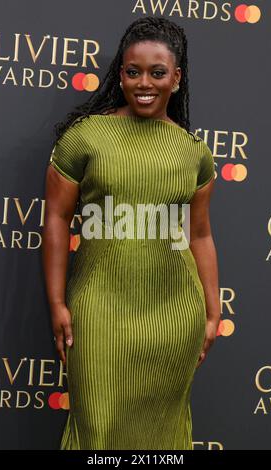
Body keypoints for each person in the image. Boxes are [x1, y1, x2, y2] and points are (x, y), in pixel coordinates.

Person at [42, 16, 221, 450]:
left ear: (175, 78)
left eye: (157, 73)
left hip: (173, 314)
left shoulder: (194, 153)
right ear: (119, 74)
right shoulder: (85, 137)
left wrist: (213, 313)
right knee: (96, 431)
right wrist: (57, 302)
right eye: (132, 71)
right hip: (99, 307)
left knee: (162, 435)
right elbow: (56, 221)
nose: (144, 82)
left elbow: (199, 235)